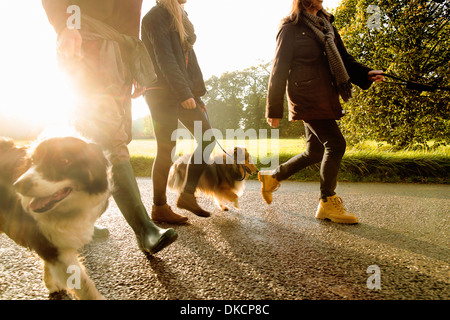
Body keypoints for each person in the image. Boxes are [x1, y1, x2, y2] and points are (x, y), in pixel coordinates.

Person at [41, 0, 178, 255]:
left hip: (119, 50)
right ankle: (144, 229)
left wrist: (133, 58)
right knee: (109, 136)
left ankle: (76, 223)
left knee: (101, 140)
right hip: (88, 39)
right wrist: (66, 25)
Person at [259, 0, 385, 224]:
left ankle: (273, 177)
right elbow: (278, 68)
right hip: (305, 96)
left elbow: (344, 59)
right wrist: (274, 108)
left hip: (326, 94)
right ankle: (327, 201)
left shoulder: (327, 25)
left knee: (314, 152)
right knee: (336, 144)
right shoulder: (290, 28)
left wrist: (366, 73)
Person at [141, 0, 215, 224]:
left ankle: (187, 195)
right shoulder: (156, 16)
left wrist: (195, 94)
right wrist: (184, 93)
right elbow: (165, 57)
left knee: (207, 139)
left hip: (181, 90)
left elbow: (186, 61)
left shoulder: (181, 18)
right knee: (167, 149)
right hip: (161, 91)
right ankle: (159, 207)